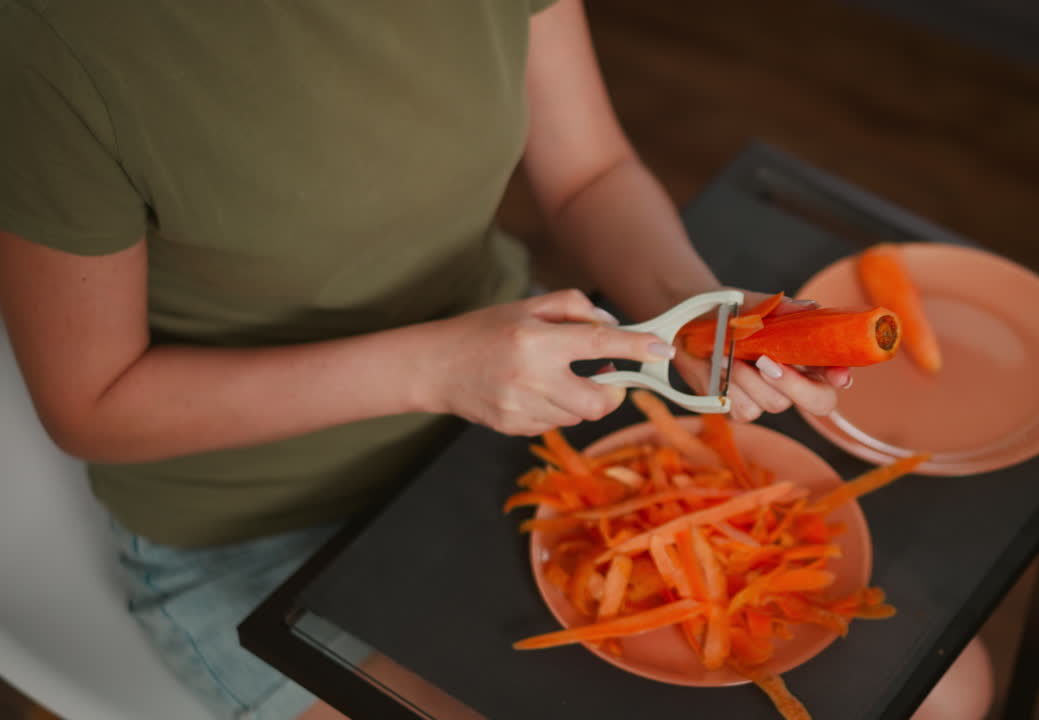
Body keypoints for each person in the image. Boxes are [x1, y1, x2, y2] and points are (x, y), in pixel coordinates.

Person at [0, 1, 850, 717]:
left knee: (934, 690)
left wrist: (699, 318)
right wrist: (436, 370)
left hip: (522, 433)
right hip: (256, 529)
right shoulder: (55, 39)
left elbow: (590, 172)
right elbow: (92, 404)